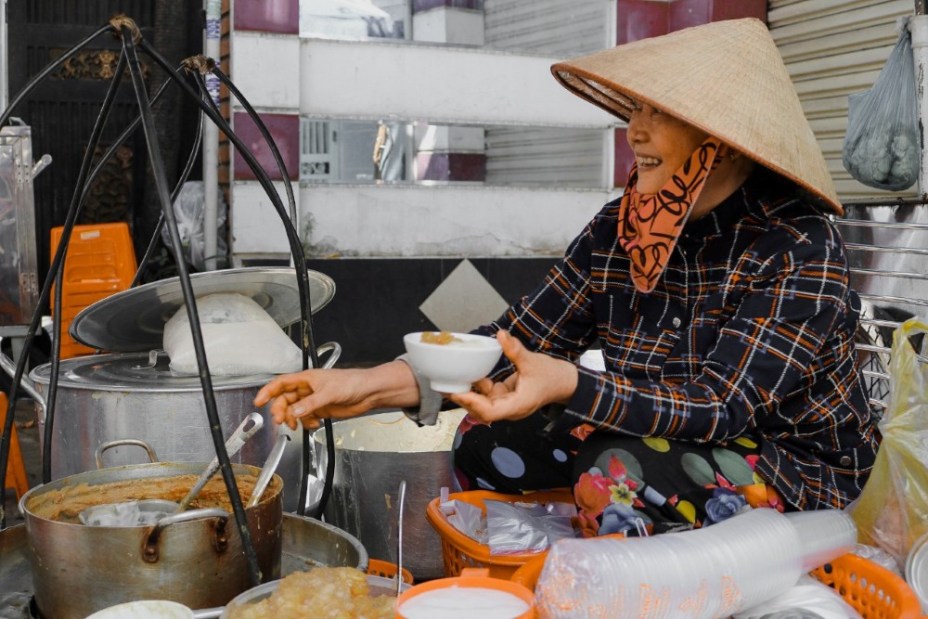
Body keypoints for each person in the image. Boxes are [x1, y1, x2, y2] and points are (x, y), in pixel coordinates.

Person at [255, 18, 880, 536]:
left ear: (729, 140)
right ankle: (595, 537)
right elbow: (513, 339)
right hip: (660, 439)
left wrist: (570, 385)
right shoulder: (621, 227)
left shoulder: (797, 244)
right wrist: (361, 385)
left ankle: (626, 560)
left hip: (795, 467)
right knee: (485, 440)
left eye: (660, 112)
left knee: (613, 469)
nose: (636, 129)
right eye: (636, 108)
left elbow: (722, 406)